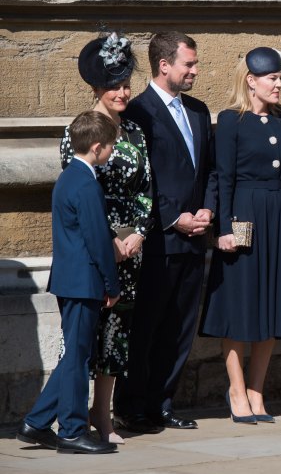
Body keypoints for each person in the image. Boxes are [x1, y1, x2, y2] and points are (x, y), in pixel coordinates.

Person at [199, 47, 281, 424]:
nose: (279, 84)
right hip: (245, 216)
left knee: (270, 306)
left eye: (280, 77)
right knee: (241, 305)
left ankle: (257, 390)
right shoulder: (231, 121)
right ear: (251, 81)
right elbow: (223, 178)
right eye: (272, 78)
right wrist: (224, 229)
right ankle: (236, 391)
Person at [113, 31, 217, 433]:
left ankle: (162, 403)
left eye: (194, 63)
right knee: (146, 329)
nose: (195, 70)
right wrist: (174, 217)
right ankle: (131, 405)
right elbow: (141, 180)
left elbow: (209, 169)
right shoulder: (137, 112)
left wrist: (208, 208)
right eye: (188, 64)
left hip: (195, 240)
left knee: (179, 328)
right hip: (157, 241)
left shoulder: (197, 110)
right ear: (164, 65)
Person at [58, 33, 153, 445]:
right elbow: (79, 195)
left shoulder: (134, 131)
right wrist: (108, 243)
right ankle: (71, 416)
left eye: (126, 83)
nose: (123, 92)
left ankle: (104, 413)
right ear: (97, 88)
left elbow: (147, 189)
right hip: (92, 250)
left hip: (128, 250)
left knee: (117, 334)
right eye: (115, 85)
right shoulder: (78, 130)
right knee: (82, 338)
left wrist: (139, 234)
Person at [17, 111, 120, 454]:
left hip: (71, 280)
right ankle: (73, 430)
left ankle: (36, 422)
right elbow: (97, 240)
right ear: (96, 147)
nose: (111, 152)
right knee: (78, 358)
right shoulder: (86, 183)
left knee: (76, 353)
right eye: (109, 147)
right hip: (83, 282)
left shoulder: (69, 177)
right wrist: (112, 284)